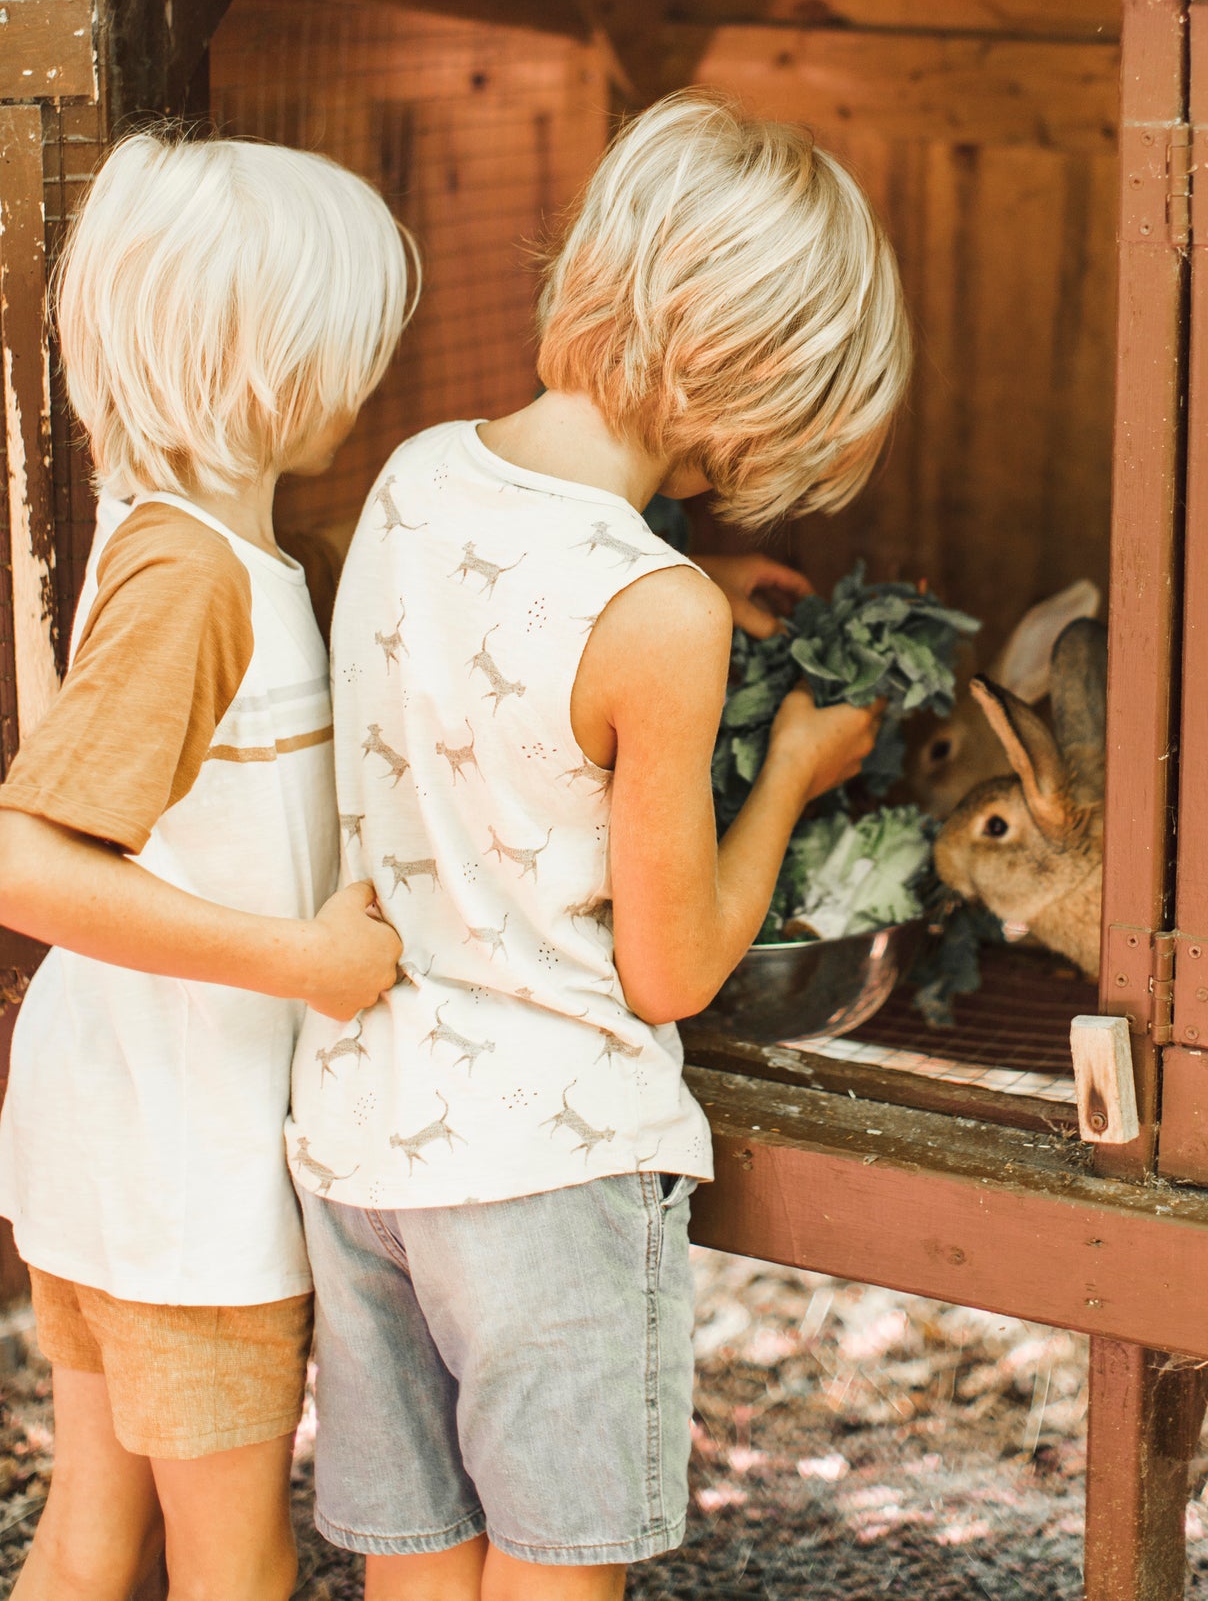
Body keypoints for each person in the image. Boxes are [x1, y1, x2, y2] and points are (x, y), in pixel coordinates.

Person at [289, 92, 912, 1600]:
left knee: (417, 1563)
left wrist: (684, 574)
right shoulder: (661, 617)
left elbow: (513, 637)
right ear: (756, 374)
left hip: (366, 1135)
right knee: (556, 1568)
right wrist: (790, 771)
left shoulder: (413, 475)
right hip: (548, 1168)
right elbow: (671, 969)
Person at [0, 134, 413, 1601]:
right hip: (186, 1173)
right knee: (235, 1560)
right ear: (263, 368)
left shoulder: (202, 548)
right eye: (349, 340)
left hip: (119, 1134)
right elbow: (25, 865)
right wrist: (306, 960)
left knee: (94, 1531)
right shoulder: (194, 581)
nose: (370, 372)